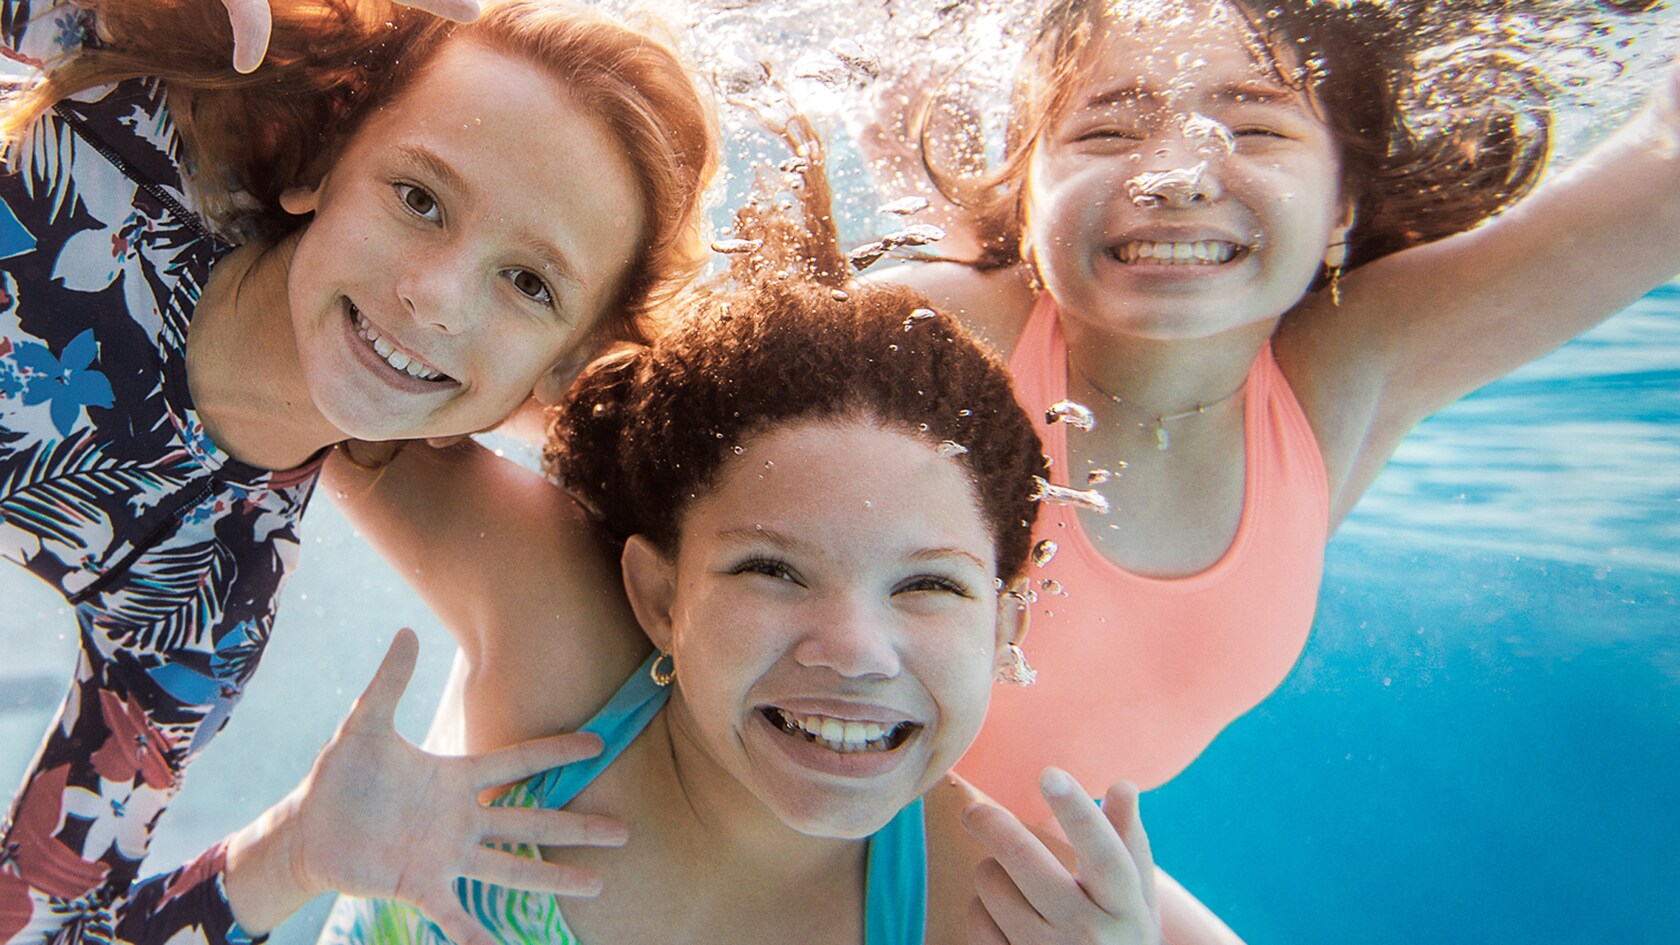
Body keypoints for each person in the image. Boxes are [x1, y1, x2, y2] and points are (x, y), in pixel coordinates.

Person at [206, 118, 1163, 945]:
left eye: (929, 586)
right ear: (661, 597)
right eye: (771, 570)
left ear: (1008, 623)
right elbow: (326, 361)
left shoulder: (1006, 901)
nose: (856, 652)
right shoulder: (560, 642)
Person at [0, 1, 716, 941]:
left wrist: (297, 849)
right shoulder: (121, 113)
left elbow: (40, 925)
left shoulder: (208, 591)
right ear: (318, 167)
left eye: (529, 284)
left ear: (558, 370)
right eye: (419, 197)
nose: (435, 293)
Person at [868, 0, 1680, 825]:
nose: (1177, 177)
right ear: (1028, 189)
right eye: (1106, 133)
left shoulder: (1344, 376)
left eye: (1257, 130)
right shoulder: (937, 336)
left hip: (1034, 862)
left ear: (1341, 206)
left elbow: (1665, 175)